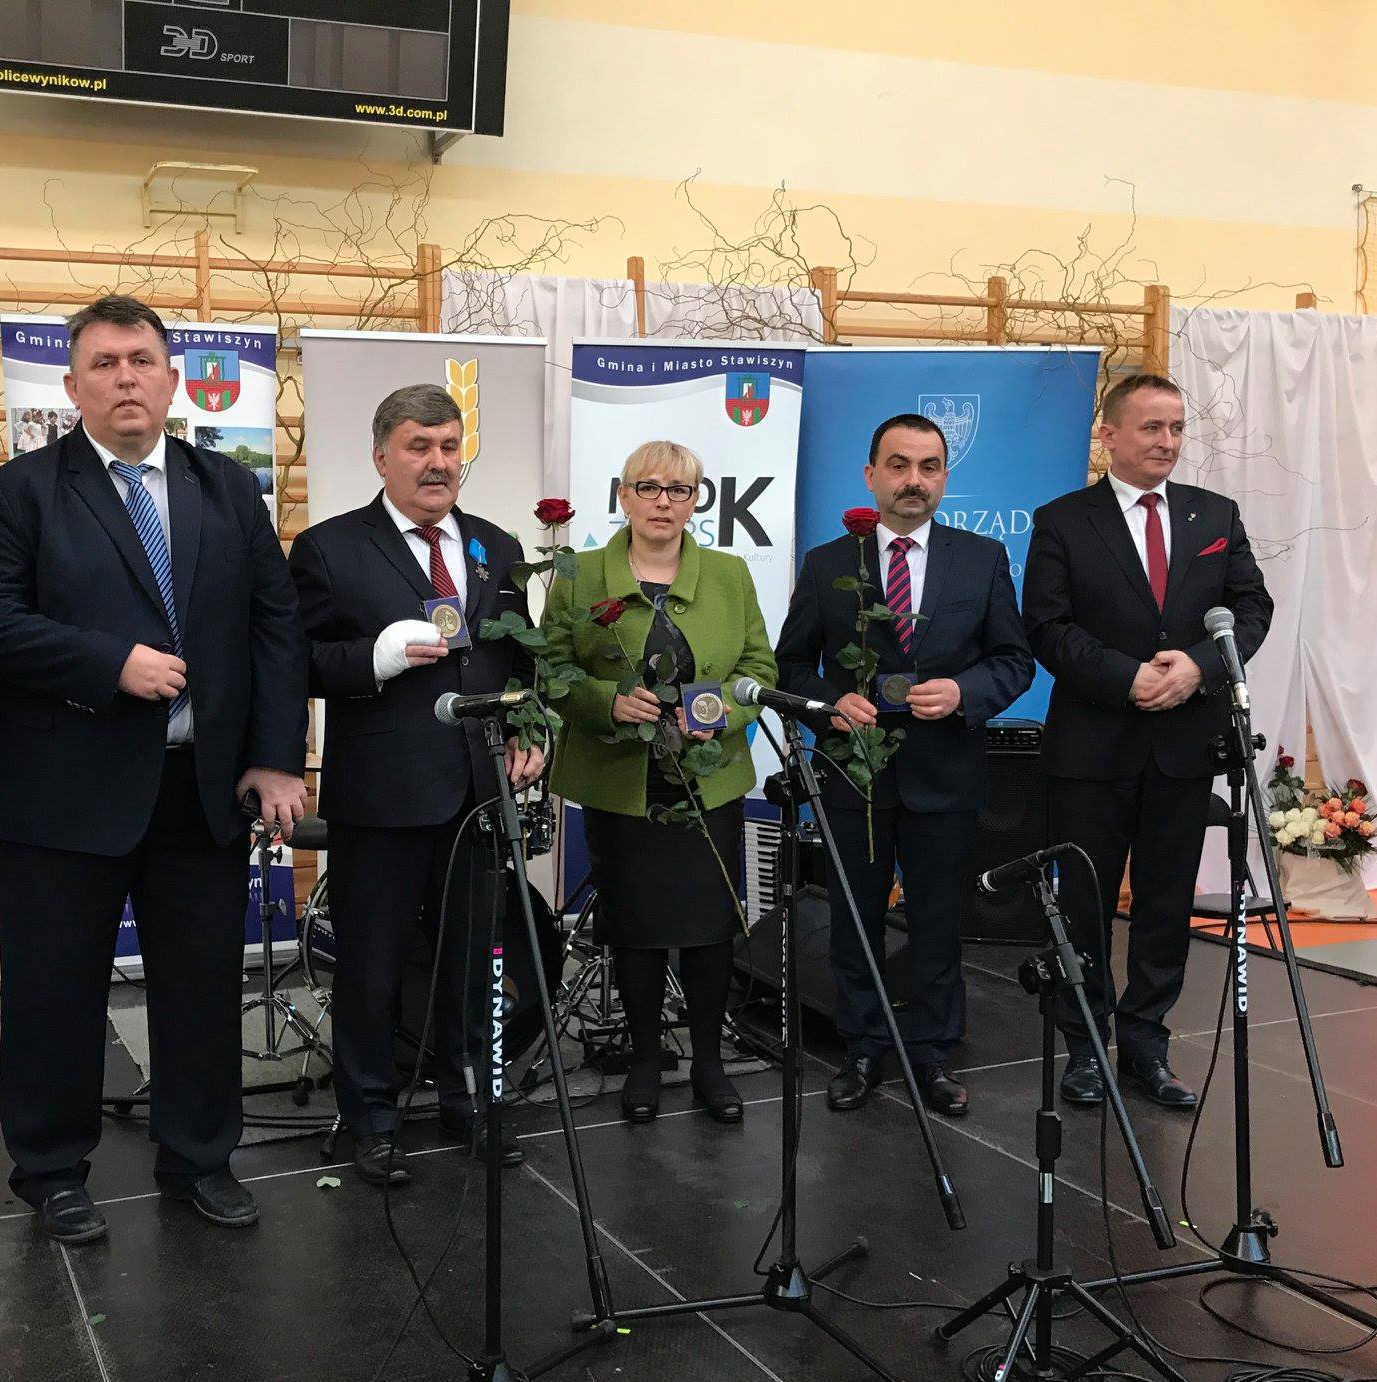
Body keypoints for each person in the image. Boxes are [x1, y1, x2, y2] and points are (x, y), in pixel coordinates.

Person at [0, 295, 306, 1242]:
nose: (125, 379)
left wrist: (277, 757)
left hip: (201, 789)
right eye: (104, 364)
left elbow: (275, 627)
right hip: (60, 793)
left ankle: (199, 1158)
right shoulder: (19, 491)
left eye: (141, 360)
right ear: (72, 386)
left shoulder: (226, 487)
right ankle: (51, 1171)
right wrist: (109, 663)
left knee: (201, 987)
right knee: (55, 992)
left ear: (171, 378)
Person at [288, 384, 543, 1185]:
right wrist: (373, 658)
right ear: (381, 456)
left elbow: (522, 659)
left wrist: (531, 730)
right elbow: (296, 661)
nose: (438, 463)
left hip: (477, 794)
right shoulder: (329, 547)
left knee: (474, 961)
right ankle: (371, 1115)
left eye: (449, 447)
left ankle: (471, 1100)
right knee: (371, 966)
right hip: (381, 797)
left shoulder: (497, 545)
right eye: (419, 446)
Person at [1024, 373, 1273, 1109]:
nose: (1168, 442)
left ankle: (1145, 1044)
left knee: (1165, 907)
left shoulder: (1214, 514)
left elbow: (1252, 607)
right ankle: (1085, 1047)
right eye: (1151, 427)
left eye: (1176, 428)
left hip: (1183, 747)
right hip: (1093, 749)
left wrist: (1198, 666)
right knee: (1085, 907)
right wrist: (1127, 677)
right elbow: (1047, 626)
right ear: (1108, 436)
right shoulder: (1062, 521)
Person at [776, 414, 1033, 1119]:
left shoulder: (982, 558)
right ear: (871, 475)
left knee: (938, 921)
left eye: (928, 466)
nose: (913, 480)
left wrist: (963, 692)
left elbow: (1014, 660)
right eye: (898, 465)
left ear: (944, 477)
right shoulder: (827, 564)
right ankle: (861, 1047)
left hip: (944, 772)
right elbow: (790, 665)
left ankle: (932, 1052)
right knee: (854, 919)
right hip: (852, 775)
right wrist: (829, 703)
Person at [542, 440, 776, 1123]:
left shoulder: (729, 574)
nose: (663, 502)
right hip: (621, 784)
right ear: (623, 496)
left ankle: (708, 1064)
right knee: (634, 929)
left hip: (709, 782)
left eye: (679, 490)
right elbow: (550, 670)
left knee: (710, 929)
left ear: (696, 500)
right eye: (648, 487)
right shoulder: (581, 575)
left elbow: (759, 667)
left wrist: (720, 712)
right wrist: (606, 701)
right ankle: (644, 1060)